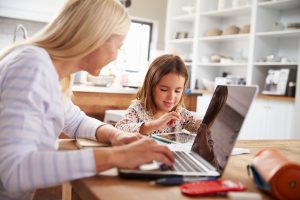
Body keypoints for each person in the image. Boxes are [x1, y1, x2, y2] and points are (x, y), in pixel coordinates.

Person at [0, 0, 174, 199]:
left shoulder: (48, 71)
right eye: (118, 46)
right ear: (96, 37)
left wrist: (115, 135)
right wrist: (118, 157)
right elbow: (14, 171)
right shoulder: (32, 66)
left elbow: (76, 121)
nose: (116, 55)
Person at [115, 54, 202, 135]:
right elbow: (120, 128)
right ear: (150, 87)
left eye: (177, 91)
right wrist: (154, 124)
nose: (171, 97)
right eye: (164, 89)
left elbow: (202, 127)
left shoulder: (180, 113)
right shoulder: (138, 109)